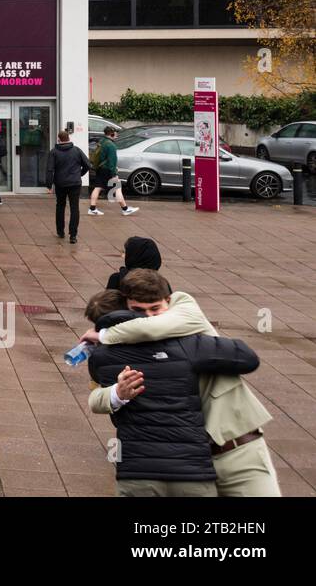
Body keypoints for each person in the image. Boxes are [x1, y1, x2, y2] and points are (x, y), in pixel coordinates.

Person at [82, 276, 281, 497]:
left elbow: (247, 358)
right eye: (138, 311)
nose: (148, 317)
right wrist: (116, 393)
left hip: (234, 452)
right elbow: (96, 396)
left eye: (155, 308)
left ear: (169, 301)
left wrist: (105, 335)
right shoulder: (125, 353)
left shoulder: (186, 314)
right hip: (187, 461)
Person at [45, 128, 91, 244]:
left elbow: (50, 170)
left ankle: (60, 231)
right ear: (69, 139)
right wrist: (80, 174)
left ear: (58, 139)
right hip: (75, 183)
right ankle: (73, 235)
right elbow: (87, 165)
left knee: (60, 206)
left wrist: (49, 185)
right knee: (74, 208)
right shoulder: (76, 150)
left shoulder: (54, 152)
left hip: (60, 183)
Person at [89, 125, 139, 217]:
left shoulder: (102, 141)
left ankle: (92, 208)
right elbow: (112, 162)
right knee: (117, 187)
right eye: (116, 133)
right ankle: (125, 209)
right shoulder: (111, 145)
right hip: (107, 170)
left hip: (100, 169)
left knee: (98, 187)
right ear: (111, 134)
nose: (117, 135)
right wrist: (114, 174)